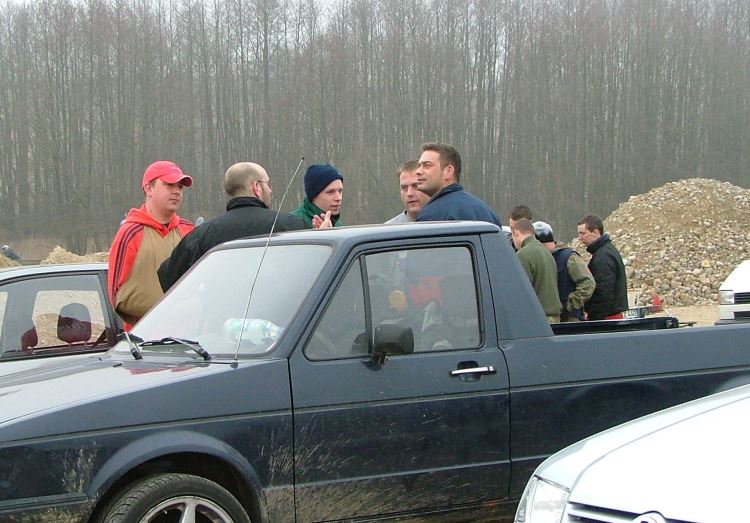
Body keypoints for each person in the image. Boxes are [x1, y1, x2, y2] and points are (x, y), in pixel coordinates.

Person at [158, 162, 307, 292]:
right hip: (279, 314)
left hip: (220, 313)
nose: (270, 190)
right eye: (267, 184)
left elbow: (168, 277)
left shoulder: (203, 234)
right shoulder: (290, 225)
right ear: (256, 187)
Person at [108, 160, 195, 329]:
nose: (177, 191)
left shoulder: (189, 231)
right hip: (144, 337)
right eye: (169, 185)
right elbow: (117, 296)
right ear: (149, 189)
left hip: (188, 336)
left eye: (180, 187)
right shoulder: (130, 234)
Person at [415, 142, 501, 225]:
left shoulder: (432, 216)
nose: (418, 171)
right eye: (419, 166)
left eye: (427, 165)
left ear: (448, 171)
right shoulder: (487, 212)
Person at [534, 221, 595, 322]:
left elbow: (588, 283)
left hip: (570, 320)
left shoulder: (569, 257)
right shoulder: (542, 258)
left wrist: (570, 305)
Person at [577, 214, 628, 320]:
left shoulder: (603, 257)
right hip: (610, 316)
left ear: (595, 232)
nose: (580, 238)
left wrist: (594, 319)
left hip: (607, 318)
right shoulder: (607, 251)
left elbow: (603, 293)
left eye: (583, 233)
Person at [511, 219, 561, 322]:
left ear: (516, 233)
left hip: (537, 318)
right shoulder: (546, 252)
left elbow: (521, 292)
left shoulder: (522, 255)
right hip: (554, 317)